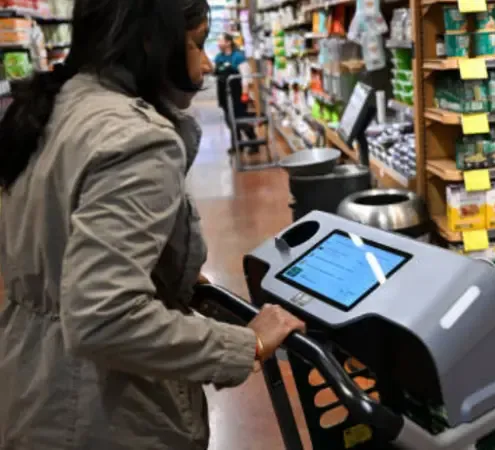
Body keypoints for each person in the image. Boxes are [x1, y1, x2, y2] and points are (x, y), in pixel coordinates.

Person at [0, 1, 305, 449]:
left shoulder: (53, 106)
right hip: (103, 414)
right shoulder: (136, 139)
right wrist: (246, 345)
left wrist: (161, 272)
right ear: (151, 41)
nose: (206, 64)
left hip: (31, 385)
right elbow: (104, 318)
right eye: (197, 44)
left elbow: (57, 243)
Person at [214, 33, 259, 155]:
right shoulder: (218, 58)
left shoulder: (238, 57)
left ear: (228, 42)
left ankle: (253, 142)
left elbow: (245, 76)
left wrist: (245, 93)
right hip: (224, 94)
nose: (218, 43)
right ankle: (237, 145)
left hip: (237, 93)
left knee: (241, 119)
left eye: (220, 40)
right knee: (229, 120)